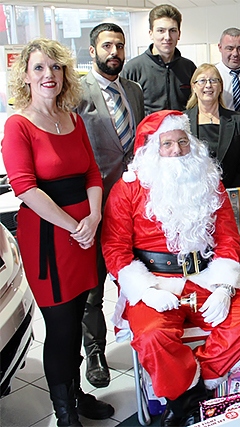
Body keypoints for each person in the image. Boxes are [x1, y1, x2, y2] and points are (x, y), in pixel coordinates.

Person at [101, 110, 240, 426]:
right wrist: (145, 291)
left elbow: (228, 236)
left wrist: (224, 286)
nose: (177, 150)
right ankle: (187, 401)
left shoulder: (208, 182)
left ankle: (191, 387)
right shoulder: (128, 189)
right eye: (167, 144)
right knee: (151, 336)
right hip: (155, 282)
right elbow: (115, 249)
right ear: (151, 149)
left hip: (205, 278)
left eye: (182, 142)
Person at [2, 38, 114, 426]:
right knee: (61, 326)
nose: (48, 75)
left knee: (81, 314)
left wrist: (94, 218)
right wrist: (75, 226)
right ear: (26, 76)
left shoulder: (74, 119)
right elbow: (25, 188)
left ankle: (77, 393)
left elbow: (92, 173)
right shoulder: (17, 124)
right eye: (39, 68)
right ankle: (64, 412)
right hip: (50, 239)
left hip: (84, 232)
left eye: (55, 67)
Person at [76, 22, 145, 389]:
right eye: (107, 46)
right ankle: (96, 354)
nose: (114, 52)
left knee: (136, 276)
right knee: (93, 286)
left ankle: (141, 343)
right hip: (95, 203)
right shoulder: (77, 91)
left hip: (132, 204)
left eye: (119, 45)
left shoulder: (132, 90)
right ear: (92, 51)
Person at [184, 63, 240, 188]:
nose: (208, 85)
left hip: (230, 193)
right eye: (202, 81)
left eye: (213, 80)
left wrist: (231, 193)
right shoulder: (182, 121)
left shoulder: (238, 120)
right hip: (193, 195)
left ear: (221, 86)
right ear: (193, 87)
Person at [121, 4, 196, 114]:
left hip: (182, 130)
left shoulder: (189, 68)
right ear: (151, 34)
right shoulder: (133, 69)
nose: (167, 37)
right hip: (147, 130)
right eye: (161, 31)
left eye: (173, 31)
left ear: (179, 34)